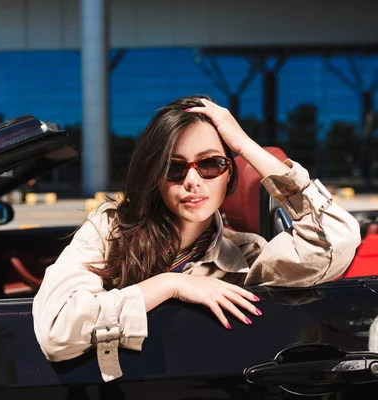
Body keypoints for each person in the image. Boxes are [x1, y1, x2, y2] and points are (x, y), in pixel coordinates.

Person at [32, 95, 361, 382]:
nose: (192, 180)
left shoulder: (246, 259)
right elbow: (56, 330)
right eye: (174, 168)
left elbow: (337, 236)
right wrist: (168, 285)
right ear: (155, 177)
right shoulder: (110, 229)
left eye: (210, 164)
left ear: (228, 172)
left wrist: (245, 146)